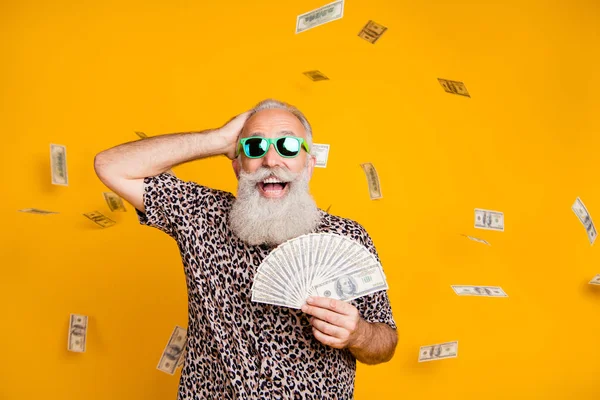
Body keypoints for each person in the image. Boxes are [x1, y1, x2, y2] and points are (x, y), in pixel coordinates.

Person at [94, 99, 397, 399]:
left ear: (309, 165)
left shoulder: (347, 238)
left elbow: (385, 344)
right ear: (238, 165)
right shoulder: (202, 216)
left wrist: (358, 334)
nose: (271, 161)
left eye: (288, 147)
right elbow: (110, 166)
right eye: (255, 147)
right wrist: (217, 139)